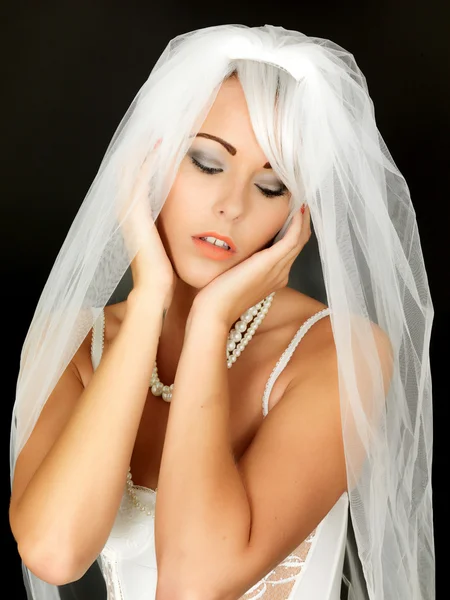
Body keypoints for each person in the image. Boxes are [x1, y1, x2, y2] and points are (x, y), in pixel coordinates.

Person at [8, 24, 434, 600]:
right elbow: (54, 553)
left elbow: (193, 583)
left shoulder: (340, 352)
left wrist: (210, 324)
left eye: (271, 185)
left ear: (296, 215)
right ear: (147, 165)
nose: (231, 205)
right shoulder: (71, 342)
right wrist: (150, 295)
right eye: (208, 163)